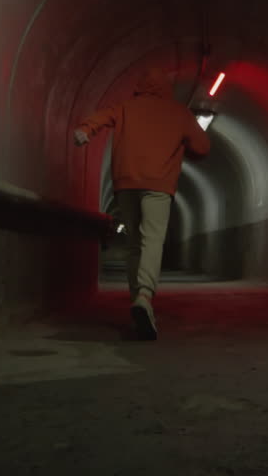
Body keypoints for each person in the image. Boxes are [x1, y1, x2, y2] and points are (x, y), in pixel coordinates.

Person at [73, 67, 211, 340]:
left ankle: (137, 298)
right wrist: (182, 147)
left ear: (140, 87)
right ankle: (145, 298)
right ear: (166, 90)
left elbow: (100, 117)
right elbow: (203, 147)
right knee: (152, 241)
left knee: (134, 243)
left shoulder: (125, 107)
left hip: (126, 184)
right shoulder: (179, 112)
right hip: (158, 186)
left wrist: (85, 130)